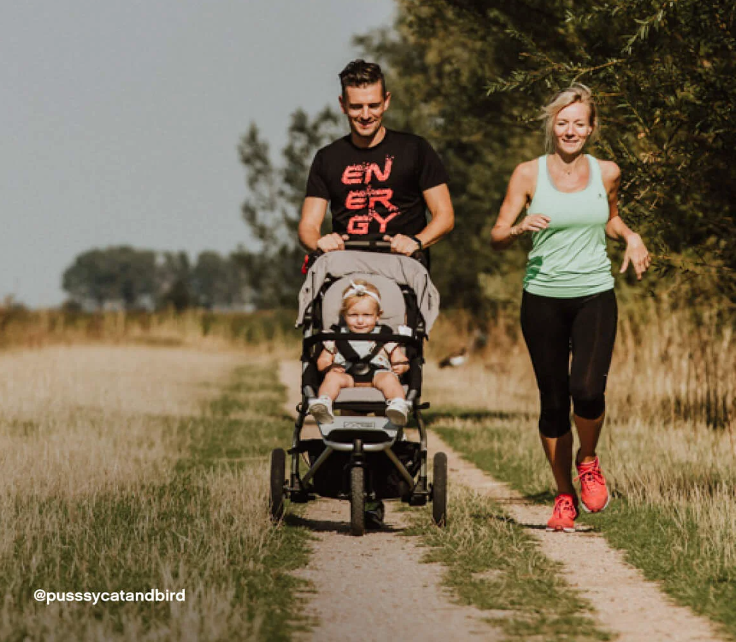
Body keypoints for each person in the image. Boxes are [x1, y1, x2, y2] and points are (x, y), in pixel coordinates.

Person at [491, 83, 651, 533]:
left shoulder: (607, 172)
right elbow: (496, 234)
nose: (570, 130)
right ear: (551, 126)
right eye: (562, 122)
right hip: (542, 295)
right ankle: (564, 496)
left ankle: (588, 459)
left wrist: (632, 237)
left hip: (594, 293)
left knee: (587, 389)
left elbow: (611, 217)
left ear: (591, 128)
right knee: (553, 400)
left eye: (579, 123)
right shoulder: (527, 174)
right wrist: (520, 227)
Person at [298, 59, 454, 263]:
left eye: (373, 106)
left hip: (403, 267)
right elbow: (308, 226)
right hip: (346, 268)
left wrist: (416, 241)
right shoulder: (327, 158)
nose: (365, 115)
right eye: (356, 107)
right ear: (342, 105)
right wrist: (320, 242)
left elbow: (445, 215)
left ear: (386, 101)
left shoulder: (415, 149)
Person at [308, 279, 411, 426]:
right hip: (347, 376)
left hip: (377, 376)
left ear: (378, 315)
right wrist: (329, 367)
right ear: (344, 315)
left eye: (367, 315)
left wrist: (401, 366)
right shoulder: (335, 336)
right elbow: (323, 361)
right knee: (332, 377)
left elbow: (400, 358)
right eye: (353, 315)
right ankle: (324, 403)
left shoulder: (385, 335)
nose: (360, 321)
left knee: (389, 379)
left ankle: (397, 405)